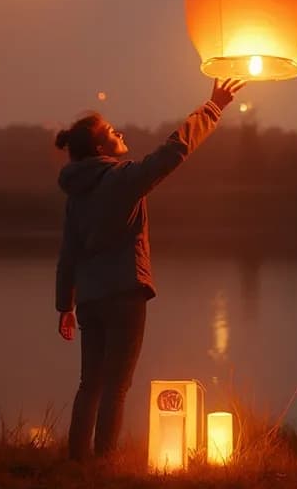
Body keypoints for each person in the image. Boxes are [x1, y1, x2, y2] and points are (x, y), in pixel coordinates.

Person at [53, 78, 248, 461]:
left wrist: (65, 306)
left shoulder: (76, 196)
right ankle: (105, 461)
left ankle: (77, 462)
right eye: (111, 132)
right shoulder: (120, 180)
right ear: (99, 147)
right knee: (116, 386)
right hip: (125, 294)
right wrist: (213, 107)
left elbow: (68, 253)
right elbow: (173, 151)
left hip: (90, 300)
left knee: (89, 384)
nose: (118, 132)